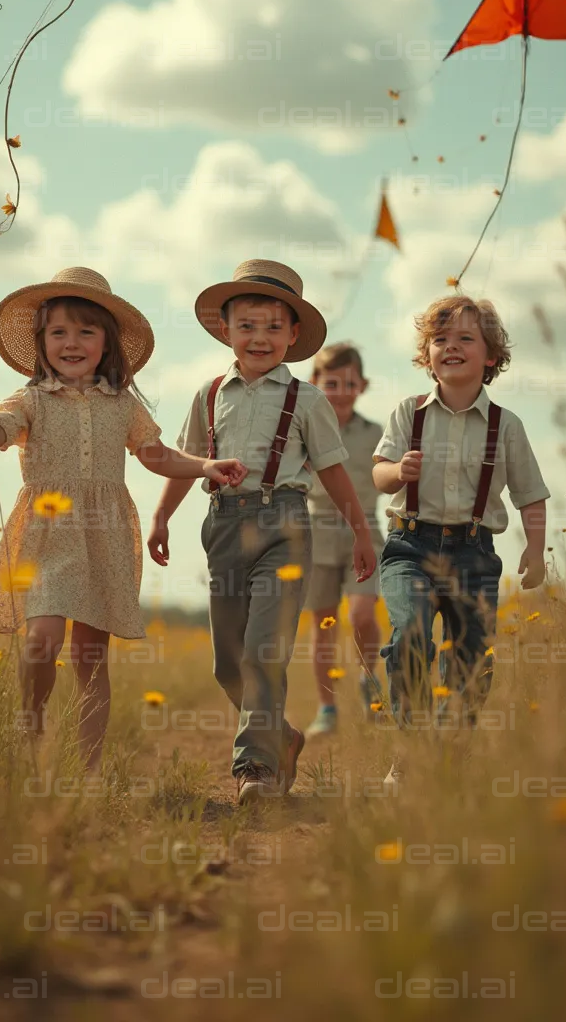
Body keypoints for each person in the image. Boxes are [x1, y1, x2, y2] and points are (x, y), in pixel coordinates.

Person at [0, 267, 246, 770]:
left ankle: (88, 771)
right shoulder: (29, 399)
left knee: (89, 658)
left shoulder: (122, 404)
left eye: (85, 331)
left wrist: (205, 465)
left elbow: (157, 455)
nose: (71, 343)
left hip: (104, 534)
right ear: (41, 341)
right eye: (58, 332)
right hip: (46, 534)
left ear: (107, 342)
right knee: (40, 642)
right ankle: (31, 728)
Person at [147, 260, 377, 805]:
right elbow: (188, 462)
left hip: (286, 524)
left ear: (293, 337)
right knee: (228, 661)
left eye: (275, 326)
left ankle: (257, 768)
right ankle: (283, 737)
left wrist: (362, 533)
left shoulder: (308, 400)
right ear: (225, 330)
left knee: (262, 650)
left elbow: (333, 472)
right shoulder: (208, 396)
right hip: (223, 525)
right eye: (247, 325)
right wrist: (161, 517)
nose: (260, 337)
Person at [372, 295, 548, 792]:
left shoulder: (505, 425)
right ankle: (411, 752)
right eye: (440, 339)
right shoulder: (409, 412)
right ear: (426, 355)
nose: (451, 347)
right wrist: (395, 471)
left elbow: (530, 495)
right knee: (409, 635)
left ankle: (449, 752)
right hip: (409, 546)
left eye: (465, 338)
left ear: (491, 356)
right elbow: (379, 474)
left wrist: (534, 550)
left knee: (472, 657)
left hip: (474, 552)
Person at [304, 343, 385, 738]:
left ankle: (371, 683)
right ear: (314, 384)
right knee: (323, 624)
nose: (339, 391)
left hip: (365, 532)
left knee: (362, 616)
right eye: (330, 383)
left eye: (348, 383)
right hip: (315, 533)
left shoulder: (375, 434)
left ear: (363, 386)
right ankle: (327, 709)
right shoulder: (302, 431)